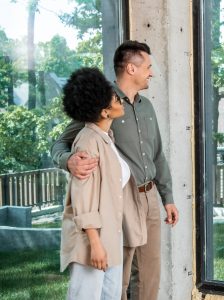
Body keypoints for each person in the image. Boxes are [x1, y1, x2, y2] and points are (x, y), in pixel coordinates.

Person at [52, 41, 179, 300]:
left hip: (150, 196)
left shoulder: (147, 107)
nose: (151, 73)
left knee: (148, 274)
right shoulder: (103, 104)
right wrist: (69, 161)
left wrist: (168, 198)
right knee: (116, 276)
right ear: (131, 68)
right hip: (122, 198)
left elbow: (158, 156)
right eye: (148, 67)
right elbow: (61, 143)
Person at [60, 67, 146, 300]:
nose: (119, 98)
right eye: (114, 97)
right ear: (105, 111)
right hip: (93, 240)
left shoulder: (106, 139)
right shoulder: (87, 142)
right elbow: (83, 199)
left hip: (110, 235)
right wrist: (96, 245)